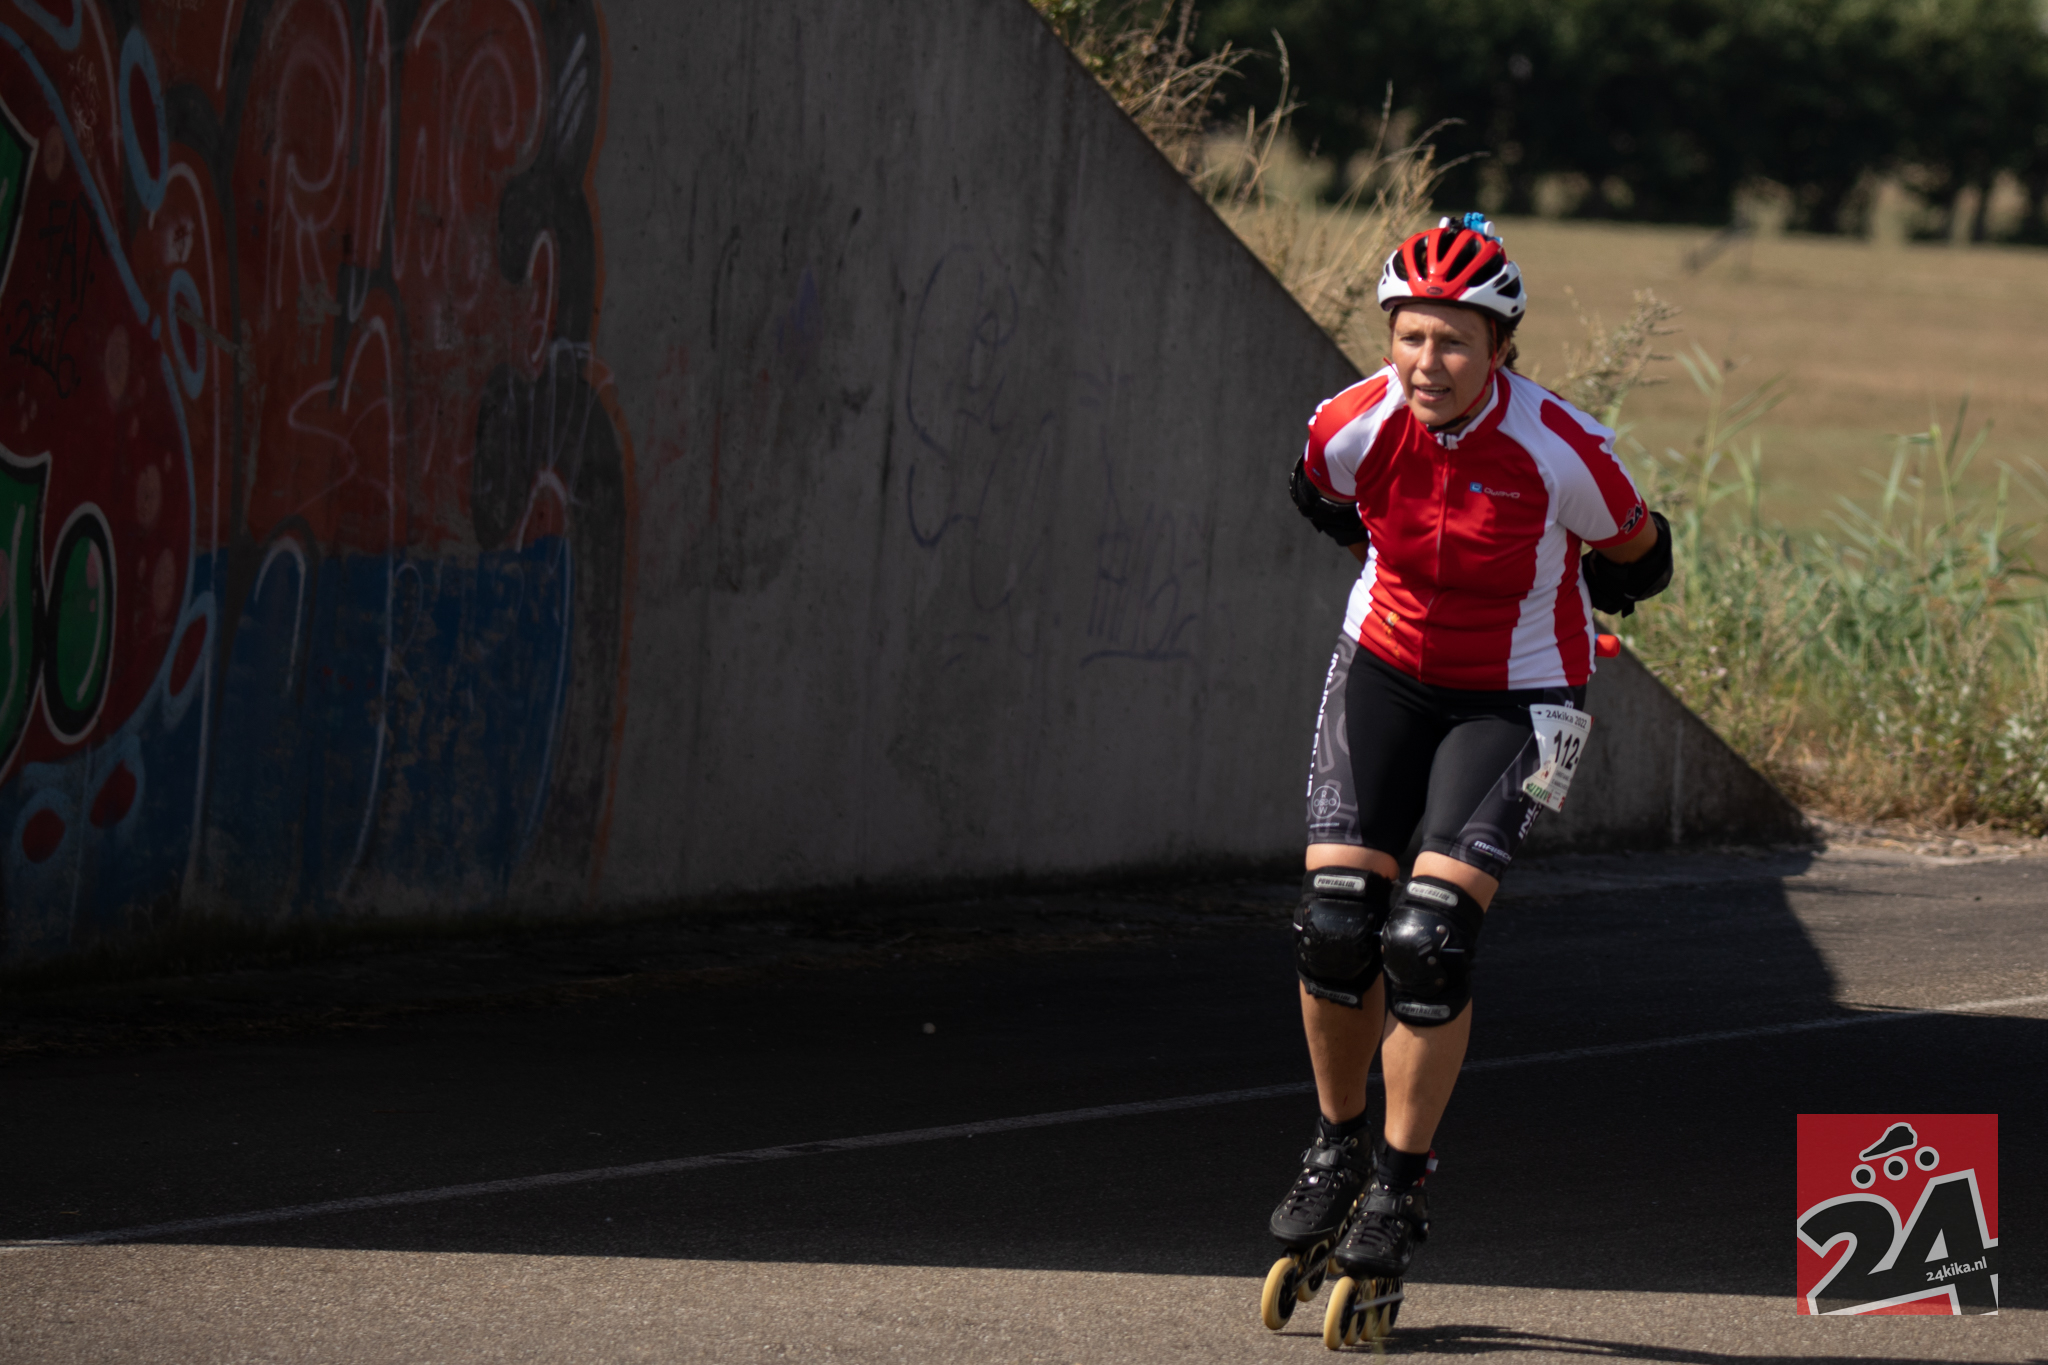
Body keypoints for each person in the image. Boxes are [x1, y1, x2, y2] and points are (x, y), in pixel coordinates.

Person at [1268, 216, 1672, 1289]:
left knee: (1428, 940)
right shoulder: (1349, 424)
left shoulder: (1563, 448)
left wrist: (1577, 590)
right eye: (1410, 335)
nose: (1427, 362)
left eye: (1453, 340)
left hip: (1520, 696)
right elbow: (1321, 500)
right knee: (1333, 925)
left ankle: (1397, 1185)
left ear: (1500, 347)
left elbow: (1640, 556)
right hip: (1384, 669)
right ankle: (1334, 1145)